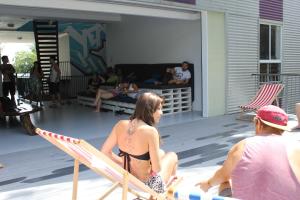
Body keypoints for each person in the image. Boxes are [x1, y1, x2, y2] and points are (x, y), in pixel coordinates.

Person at [196, 105, 300, 200]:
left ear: (258, 123)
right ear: (283, 129)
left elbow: (222, 176)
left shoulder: (242, 146)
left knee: (225, 183)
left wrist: (208, 184)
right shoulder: (295, 149)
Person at [101, 92, 178, 193]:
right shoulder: (150, 131)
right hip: (148, 185)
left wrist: (123, 162)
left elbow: (104, 152)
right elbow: (157, 169)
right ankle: (167, 194)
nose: (161, 113)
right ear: (150, 110)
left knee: (161, 152)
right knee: (172, 156)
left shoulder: (120, 124)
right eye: (159, 109)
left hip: (129, 179)